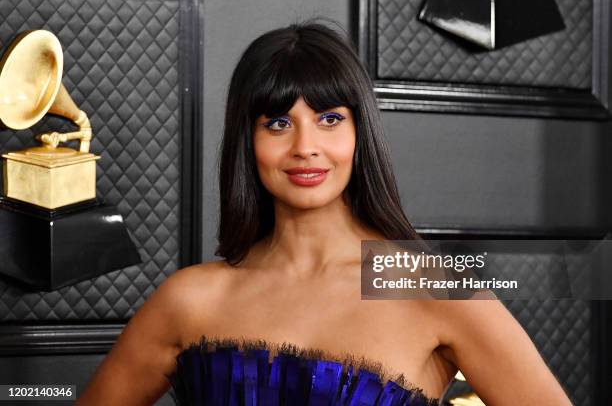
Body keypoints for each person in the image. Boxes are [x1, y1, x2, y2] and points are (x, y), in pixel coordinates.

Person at [76, 21, 573, 405]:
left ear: (360, 135)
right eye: (277, 123)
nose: (305, 147)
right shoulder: (189, 300)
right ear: (248, 143)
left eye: (330, 119)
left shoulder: (436, 290)